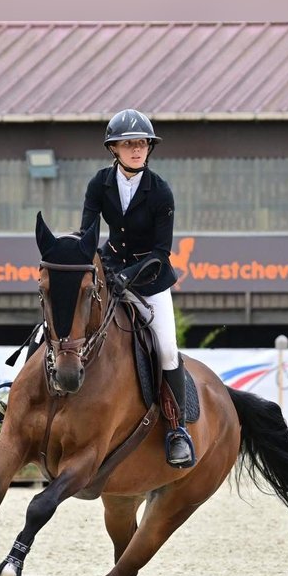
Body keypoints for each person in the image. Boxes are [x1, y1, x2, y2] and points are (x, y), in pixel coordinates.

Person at [80, 108, 194, 468]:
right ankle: (22, 395)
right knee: (66, 319)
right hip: (110, 271)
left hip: (150, 279)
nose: (136, 150)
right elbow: (88, 235)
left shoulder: (161, 192)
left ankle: (177, 430)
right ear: (114, 149)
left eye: (142, 144)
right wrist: (88, 269)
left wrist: (128, 275)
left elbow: (162, 251)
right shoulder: (99, 184)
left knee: (167, 349)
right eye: (129, 144)